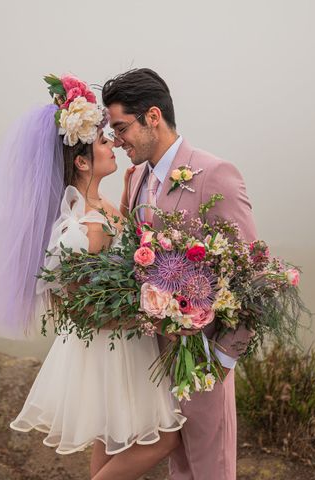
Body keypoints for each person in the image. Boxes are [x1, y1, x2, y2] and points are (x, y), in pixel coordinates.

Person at [0, 74, 185, 480]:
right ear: (83, 161)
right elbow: (71, 297)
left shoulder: (101, 205)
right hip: (114, 345)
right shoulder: (86, 225)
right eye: (104, 142)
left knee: (109, 439)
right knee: (164, 439)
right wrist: (138, 312)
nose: (114, 146)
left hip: (118, 345)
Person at [103, 68, 259, 480]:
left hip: (202, 357)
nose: (117, 142)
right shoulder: (136, 178)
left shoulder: (215, 174)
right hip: (153, 359)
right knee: (178, 470)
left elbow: (253, 280)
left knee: (209, 471)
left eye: (121, 128)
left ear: (153, 116)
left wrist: (221, 361)